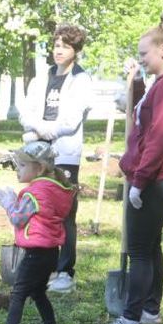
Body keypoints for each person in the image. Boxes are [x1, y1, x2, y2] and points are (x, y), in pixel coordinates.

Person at [93, 14, 163, 324]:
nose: (142, 58)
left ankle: (130, 322)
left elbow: (159, 138)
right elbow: (145, 111)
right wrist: (137, 80)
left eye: (144, 54)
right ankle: (150, 311)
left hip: (159, 178)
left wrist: (139, 181)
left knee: (140, 250)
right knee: (150, 246)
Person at [19, 24, 96, 292]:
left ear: (75, 50)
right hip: (37, 152)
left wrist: (46, 130)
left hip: (64, 153)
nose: (59, 50)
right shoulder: (42, 78)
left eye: (65, 46)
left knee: (64, 213)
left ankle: (65, 271)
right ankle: (40, 266)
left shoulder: (81, 80)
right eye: (56, 45)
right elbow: (26, 110)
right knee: (37, 208)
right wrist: (37, 129)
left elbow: (72, 119)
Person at [0, 140, 74, 324]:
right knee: (38, 292)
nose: (17, 170)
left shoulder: (34, 192)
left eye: (21, 166)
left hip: (35, 252)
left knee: (18, 293)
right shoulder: (56, 189)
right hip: (50, 252)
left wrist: (8, 202)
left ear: (38, 168)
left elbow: (19, 219)